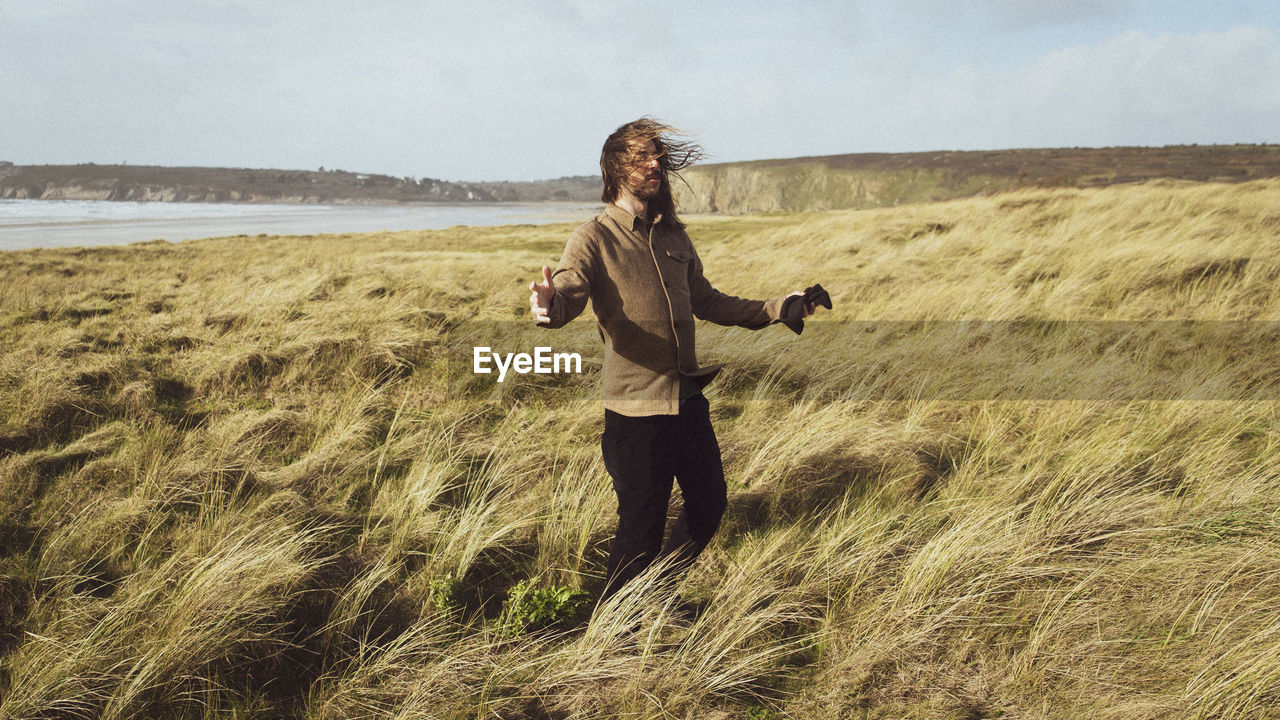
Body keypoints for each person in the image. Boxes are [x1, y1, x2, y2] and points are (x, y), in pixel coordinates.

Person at [529, 118, 818, 602]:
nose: (656, 163)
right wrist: (548, 304)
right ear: (617, 167)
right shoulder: (594, 237)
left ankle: (655, 598)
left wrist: (778, 308)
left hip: (688, 402)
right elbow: (567, 291)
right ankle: (611, 632)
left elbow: (707, 299)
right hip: (635, 414)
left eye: (658, 154)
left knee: (709, 505)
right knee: (640, 530)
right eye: (642, 156)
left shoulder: (674, 238)